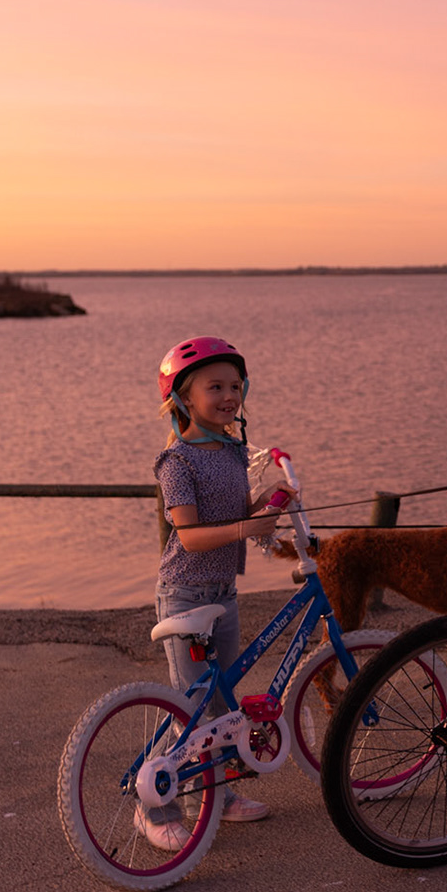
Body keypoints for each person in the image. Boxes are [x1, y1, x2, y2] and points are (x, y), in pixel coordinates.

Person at [140, 335, 290, 851]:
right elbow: (190, 535)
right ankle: (153, 809)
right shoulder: (176, 462)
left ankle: (215, 799)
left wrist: (269, 502)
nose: (229, 396)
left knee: (222, 704)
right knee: (190, 707)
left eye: (235, 386)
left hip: (224, 591)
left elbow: (236, 514)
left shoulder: (231, 450)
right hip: (185, 594)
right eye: (215, 387)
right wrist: (245, 528)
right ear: (183, 397)